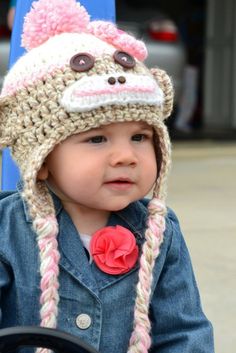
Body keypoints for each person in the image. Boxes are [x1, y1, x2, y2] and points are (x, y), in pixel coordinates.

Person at [0, 0, 214, 352]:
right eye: (97, 139)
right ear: (42, 157)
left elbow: (184, 333)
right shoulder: (7, 232)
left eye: (140, 137)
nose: (126, 157)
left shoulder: (159, 232)